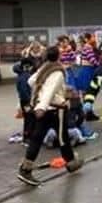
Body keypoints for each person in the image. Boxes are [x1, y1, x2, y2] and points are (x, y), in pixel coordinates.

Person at [17, 46, 85, 186]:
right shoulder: (58, 72)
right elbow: (50, 90)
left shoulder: (44, 68)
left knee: (37, 137)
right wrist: (43, 105)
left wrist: (40, 98)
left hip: (45, 108)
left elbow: (31, 82)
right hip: (55, 109)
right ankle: (71, 162)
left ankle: (26, 168)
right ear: (58, 57)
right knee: (62, 137)